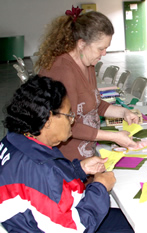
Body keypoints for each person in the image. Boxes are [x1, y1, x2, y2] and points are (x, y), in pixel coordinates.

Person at [0, 76, 134, 233]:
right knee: (135, 223)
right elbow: (73, 228)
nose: (72, 121)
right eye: (69, 115)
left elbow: (47, 185)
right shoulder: (39, 168)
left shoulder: (16, 141)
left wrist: (78, 169)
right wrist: (100, 188)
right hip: (69, 222)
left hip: (51, 217)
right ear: (48, 119)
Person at [38, 6, 139, 161]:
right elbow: (67, 124)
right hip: (65, 162)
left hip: (86, 156)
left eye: (106, 48)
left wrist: (123, 112)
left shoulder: (88, 64)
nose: (104, 53)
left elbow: (93, 104)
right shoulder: (62, 72)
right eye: (101, 48)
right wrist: (113, 136)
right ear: (81, 44)